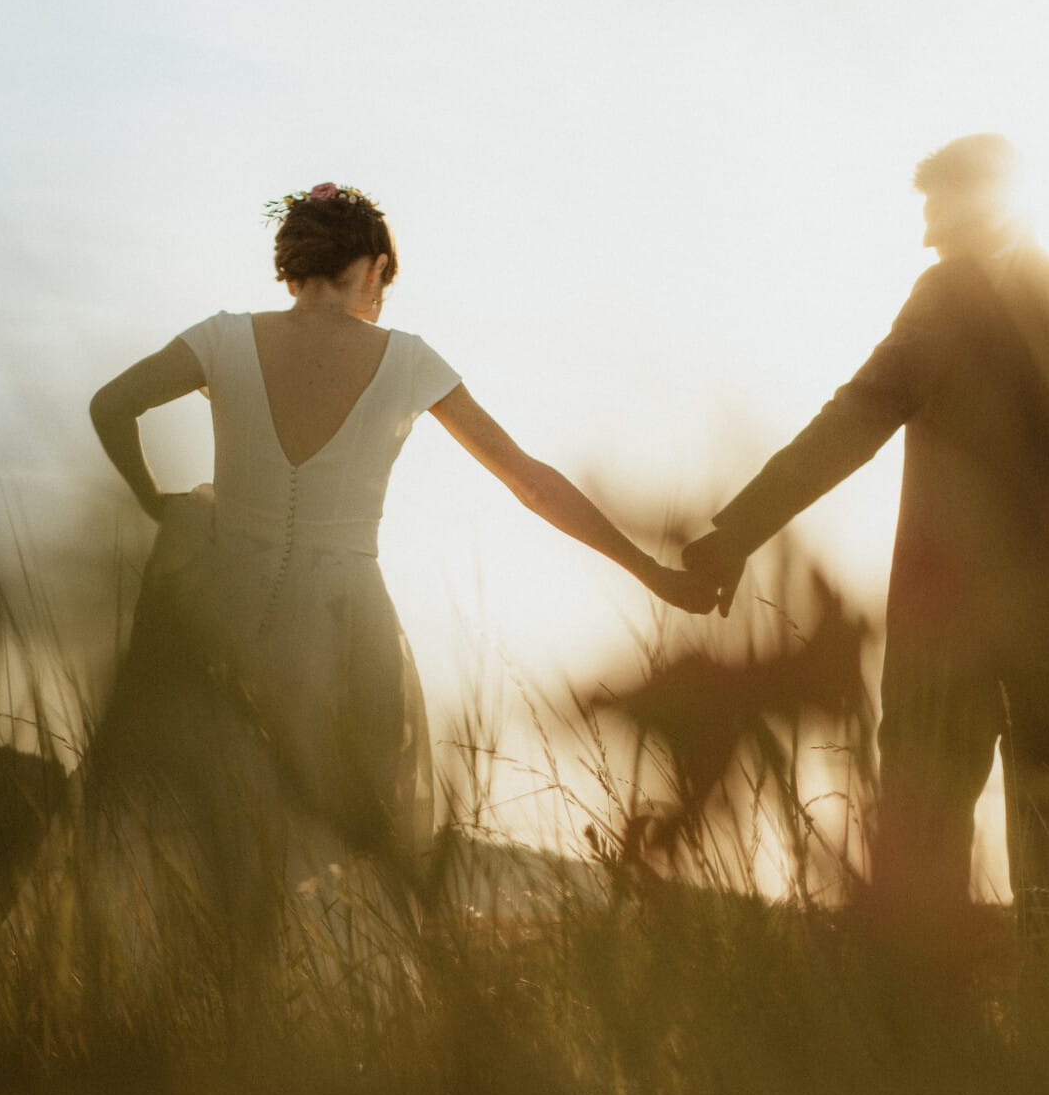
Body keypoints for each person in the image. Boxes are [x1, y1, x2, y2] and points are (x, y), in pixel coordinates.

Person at [83, 182, 713, 933]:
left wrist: (153, 496)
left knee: (198, 834)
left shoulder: (221, 339)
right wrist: (650, 570)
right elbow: (532, 484)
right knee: (336, 854)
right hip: (346, 632)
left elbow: (109, 405)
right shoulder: (408, 360)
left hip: (221, 616)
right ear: (374, 266)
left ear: (295, 265)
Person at [680, 135, 1049, 974]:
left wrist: (738, 532)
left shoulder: (951, 298)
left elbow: (857, 416)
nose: (930, 243)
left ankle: (930, 1070)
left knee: (920, 870)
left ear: (984, 210)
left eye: (941, 222)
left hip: (956, 643)